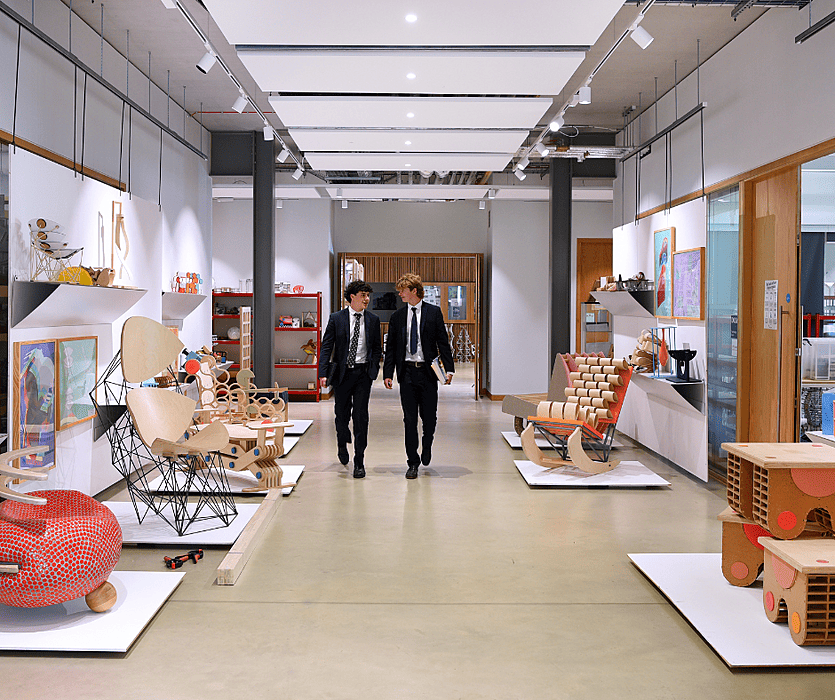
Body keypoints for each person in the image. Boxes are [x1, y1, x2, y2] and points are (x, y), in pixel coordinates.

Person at [383, 273, 454, 479]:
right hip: (406, 373)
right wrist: (388, 373)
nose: (399, 293)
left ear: (414, 291)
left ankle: (428, 445)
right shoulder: (397, 317)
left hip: (428, 373)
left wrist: (449, 369)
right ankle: (412, 462)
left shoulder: (433, 313)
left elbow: (443, 342)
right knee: (409, 419)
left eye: (403, 290)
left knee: (429, 417)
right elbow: (391, 349)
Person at [319, 280, 382, 478]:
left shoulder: (373, 319)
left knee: (361, 417)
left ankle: (359, 460)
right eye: (363, 295)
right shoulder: (336, 318)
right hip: (343, 374)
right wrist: (322, 373)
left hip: (363, 374)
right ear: (352, 296)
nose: (367, 299)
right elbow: (327, 346)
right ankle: (341, 442)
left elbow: (377, 348)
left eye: (368, 295)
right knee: (341, 415)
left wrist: (373, 368)